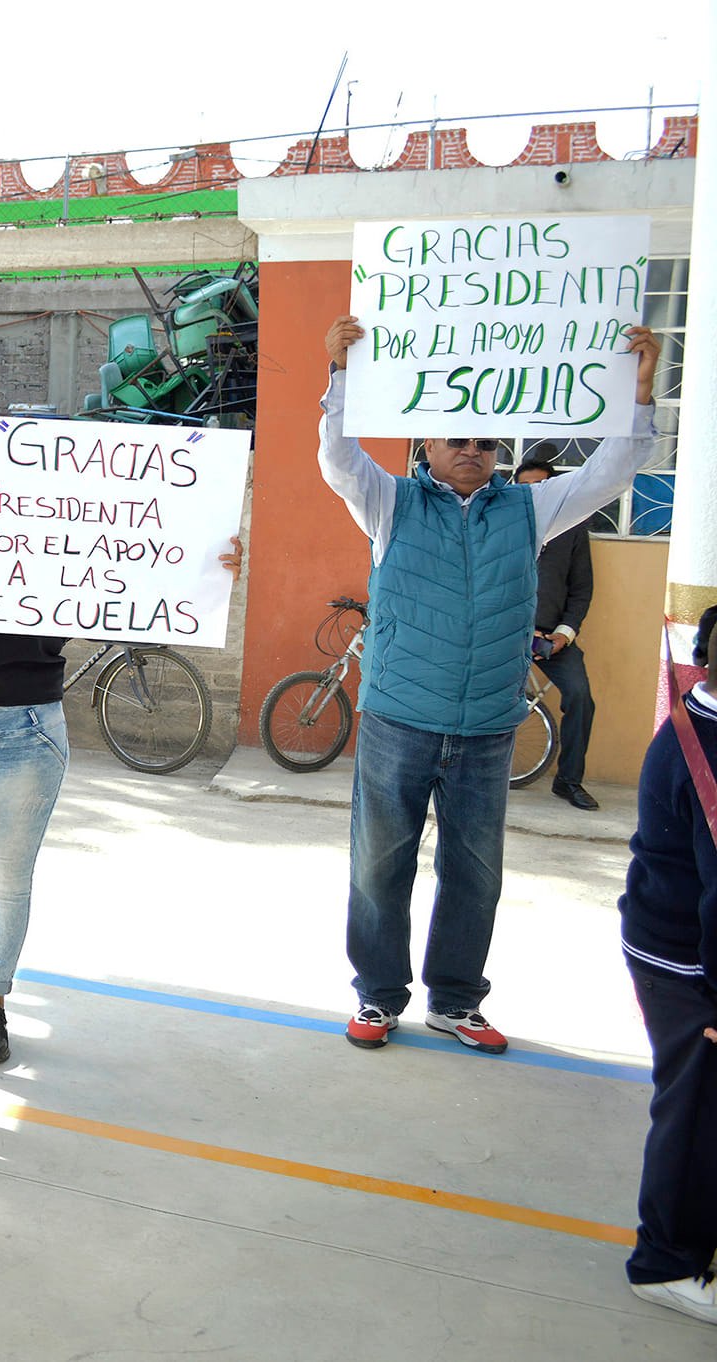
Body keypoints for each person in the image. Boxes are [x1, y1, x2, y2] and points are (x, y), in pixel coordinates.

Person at [320, 314, 659, 1054]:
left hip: (485, 727)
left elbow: (613, 469)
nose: (472, 452)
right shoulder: (390, 504)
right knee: (381, 866)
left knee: (475, 873)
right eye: (456, 441)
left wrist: (637, 390)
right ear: (427, 449)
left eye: (483, 442)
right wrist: (341, 376)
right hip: (399, 721)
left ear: (497, 452)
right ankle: (377, 998)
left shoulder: (529, 510)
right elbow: (339, 459)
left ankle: (455, 1001)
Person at [0, 511, 241, 1070]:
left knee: (9, 879)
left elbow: (137, 589)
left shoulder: (69, 542)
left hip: (32, 730)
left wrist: (207, 576)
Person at [618, 604, 717, 1326]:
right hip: (688, 959)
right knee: (697, 1106)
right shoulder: (706, 747)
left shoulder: (700, 715)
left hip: (677, 938)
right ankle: (667, 1261)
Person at [513, 445, 600, 810]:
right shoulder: (501, 525)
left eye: (542, 486)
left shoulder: (573, 530)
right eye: (526, 487)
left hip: (553, 638)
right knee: (484, 697)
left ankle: (568, 781)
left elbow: (581, 589)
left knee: (581, 698)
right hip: (505, 635)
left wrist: (564, 633)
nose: (535, 493)